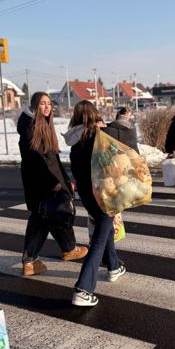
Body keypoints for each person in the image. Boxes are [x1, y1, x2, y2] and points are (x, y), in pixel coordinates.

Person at [17, 92, 88, 276]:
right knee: (54, 213)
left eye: (49, 103)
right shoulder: (30, 127)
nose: (47, 106)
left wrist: (65, 180)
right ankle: (66, 249)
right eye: (42, 103)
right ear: (34, 106)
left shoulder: (40, 124)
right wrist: (54, 182)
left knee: (44, 216)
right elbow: (37, 159)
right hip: (43, 181)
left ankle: (33, 260)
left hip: (45, 179)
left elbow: (52, 158)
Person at [64, 100, 126, 307]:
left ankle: (114, 266)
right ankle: (83, 289)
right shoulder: (99, 137)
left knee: (104, 228)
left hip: (86, 194)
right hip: (104, 192)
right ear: (94, 114)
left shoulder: (75, 140)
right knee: (99, 240)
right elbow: (115, 160)